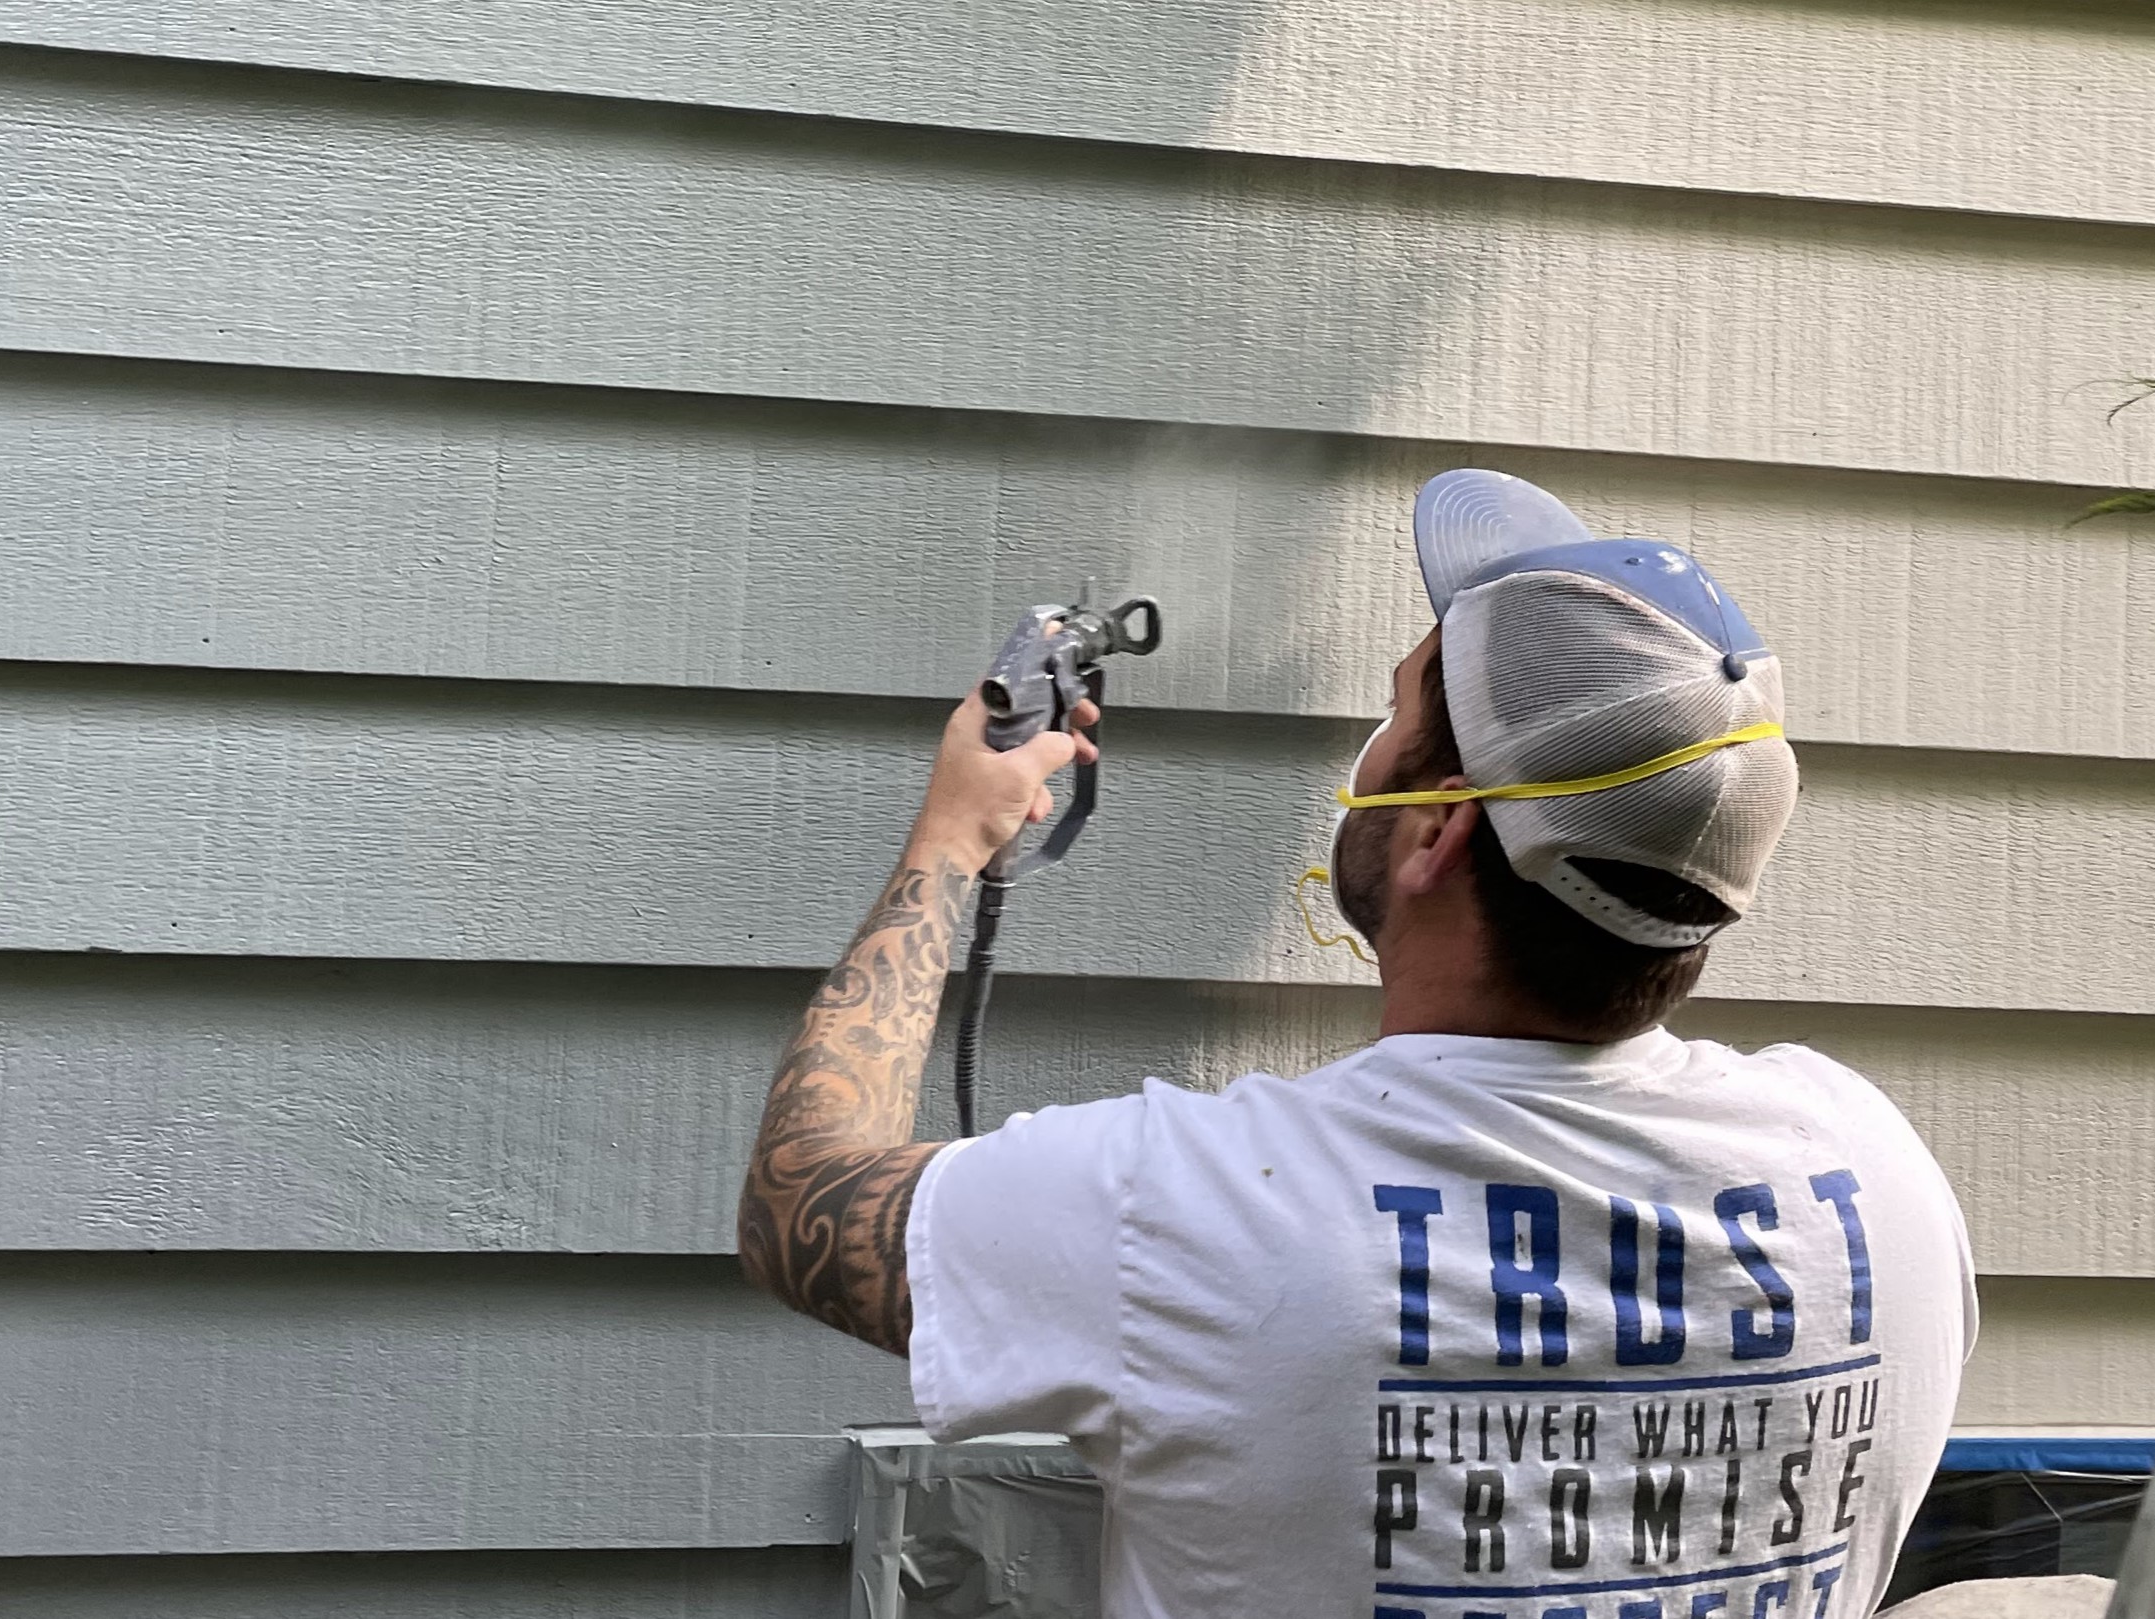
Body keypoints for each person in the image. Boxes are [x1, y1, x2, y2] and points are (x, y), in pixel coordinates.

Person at [737, 469, 1975, 1619]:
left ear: (1433, 827)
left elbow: (800, 1193)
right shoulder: (1880, 1174)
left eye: (1394, 712)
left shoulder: (1189, 1208)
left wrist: (946, 847)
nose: (1366, 753)